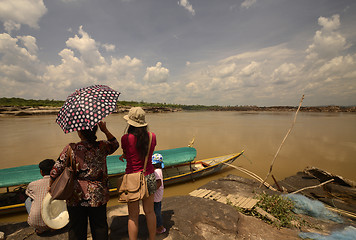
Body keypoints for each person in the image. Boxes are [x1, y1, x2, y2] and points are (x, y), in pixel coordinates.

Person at [50, 121, 119, 240]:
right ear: (94, 131)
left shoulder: (71, 148)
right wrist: (105, 130)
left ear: (80, 132)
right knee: (100, 226)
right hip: (98, 194)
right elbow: (115, 144)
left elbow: (56, 170)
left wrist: (50, 184)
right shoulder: (102, 146)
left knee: (77, 228)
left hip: (75, 194)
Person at [119, 107, 157, 240]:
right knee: (150, 211)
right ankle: (153, 238)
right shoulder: (152, 136)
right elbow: (145, 152)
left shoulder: (125, 138)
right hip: (149, 176)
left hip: (132, 178)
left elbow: (129, 152)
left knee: (133, 216)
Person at [25, 159, 55, 235]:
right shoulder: (60, 183)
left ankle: (39, 228)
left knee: (28, 200)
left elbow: (27, 193)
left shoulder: (33, 184)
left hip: (37, 224)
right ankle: (53, 226)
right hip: (57, 223)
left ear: (41, 172)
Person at [152, 153, 166, 234]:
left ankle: (160, 227)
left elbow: (158, 183)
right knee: (157, 210)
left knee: (157, 212)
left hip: (156, 195)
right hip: (158, 195)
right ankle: (158, 225)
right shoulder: (159, 170)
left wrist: (151, 191)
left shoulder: (156, 171)